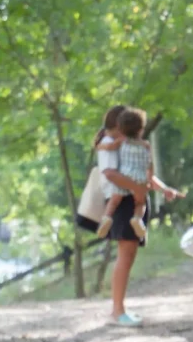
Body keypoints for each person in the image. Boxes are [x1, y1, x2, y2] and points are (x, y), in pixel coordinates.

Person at [76, 104, 185, 328]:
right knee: (125, 255)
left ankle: (120, 307)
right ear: (118, 126)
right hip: (123, 200)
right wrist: (138, 189)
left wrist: (162, 189)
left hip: (131, 197)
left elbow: (143, 172)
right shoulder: (109, 144)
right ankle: (117, 310)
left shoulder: (128, 144)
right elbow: (111, 174)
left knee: (129, 254)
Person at [96, 107, 153, 242]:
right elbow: (150, 165)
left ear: (121, 128)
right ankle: (137, 218)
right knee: (140, 203)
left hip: (124, 175)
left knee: (114, 201)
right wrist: (148, 180)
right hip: (139, 179)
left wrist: (100, 146)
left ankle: (106, 218)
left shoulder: (121, 141)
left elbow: (109, 147)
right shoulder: (145, 145)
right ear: (141, 130)